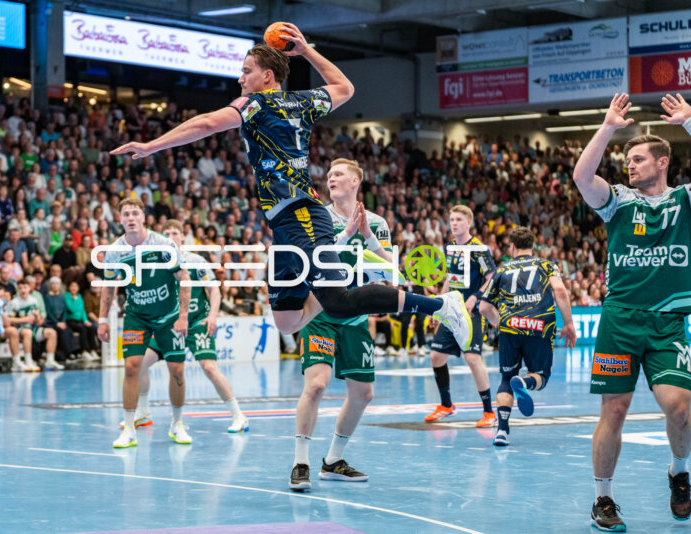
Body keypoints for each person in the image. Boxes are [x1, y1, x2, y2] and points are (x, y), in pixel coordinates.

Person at [111, 33, 470, 347]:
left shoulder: (256, 104)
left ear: (267, 77)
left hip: (303, 216)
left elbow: (207, 123)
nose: (240, 78)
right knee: (286, 322)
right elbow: (346, 88)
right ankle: (332, 261)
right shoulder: (302, 101)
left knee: (339, 304)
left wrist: (149, 146)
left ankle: (441, 306)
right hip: (284, 226)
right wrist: (307, 52)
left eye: (246, 71)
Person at [573, 92, 691, 530]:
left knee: (680, 410)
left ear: (663, 162)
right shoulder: (619, 200)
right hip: (620, 320)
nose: (631, 165)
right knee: (615, 411)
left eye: (639, 158)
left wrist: (689, 121)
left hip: (668, 323)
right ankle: (603, 498)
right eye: (629, 159)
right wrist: (607, 128)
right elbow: (582, 176)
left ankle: (680, 472)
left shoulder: (685, 201)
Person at [289, 159, 394, 491]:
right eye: (329, 175)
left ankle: (333, 460)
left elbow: (391, 269)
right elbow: (309, 263)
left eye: (338, 175)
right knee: (317, 385)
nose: (330, 179)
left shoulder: (376, 223)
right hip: (320, 311)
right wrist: (346, 236)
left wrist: (366, 238)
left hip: (356, 315)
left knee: (363, 393)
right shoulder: (316, 218)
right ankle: (300, 462)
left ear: (355, 181)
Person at [124, 219, 248, 443]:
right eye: (167, 233)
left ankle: (238, 415)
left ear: (182, 237)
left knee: (209, 368)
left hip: (195, 321)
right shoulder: (156, 261)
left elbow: (214, 289)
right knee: (139, 363)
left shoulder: (195, 260)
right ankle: (143, 412)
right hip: (169, 324)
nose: (171, 236)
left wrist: (212, 315)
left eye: (175, 233)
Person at [97, 199, 190, 449]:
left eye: (135, 213)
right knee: (131, 367)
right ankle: (129, 429)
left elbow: (184, 277)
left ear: (143, 217)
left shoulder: (163, 244)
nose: (130, 218)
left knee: (177, 371)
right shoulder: (115, 250)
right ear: (120, 219)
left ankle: (177, 424)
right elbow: (108, 288)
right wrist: (102, 320)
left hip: (168, 316)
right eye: (125, 214)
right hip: (136, 315)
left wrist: (183, 316)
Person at [478, 227, 576, 447]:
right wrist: (568, 323)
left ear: (512, 247)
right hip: (539, 326)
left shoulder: (502, 270)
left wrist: (501, 322)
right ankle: (524, 382)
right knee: (541, 376)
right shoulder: (546, 265)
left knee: (505, 379)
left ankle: (502, 431)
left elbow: (483, 306)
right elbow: (559, 291)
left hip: (511, 327)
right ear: (533, 247)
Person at [424, 205, 497, 428]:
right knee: (436, 356)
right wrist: (437, 305)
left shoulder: (479, 249)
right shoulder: (450, 248)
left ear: (469, 223)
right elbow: (450, 278)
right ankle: (446, 405)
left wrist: (475, 297)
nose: (454, 223)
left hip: (472, 312)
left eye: (458, 220)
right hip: (453, 308)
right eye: (452, 219)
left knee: (472, 357)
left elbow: (491, 276)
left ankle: (489, 412)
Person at [4, 279, 43, 372]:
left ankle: (49, 360)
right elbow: (7, 320)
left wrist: (37, 317)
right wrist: (23, 320)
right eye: (20, 288)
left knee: (51, 332)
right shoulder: (13, 302)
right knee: (27, 332)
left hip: (33, 327)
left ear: (29, 288)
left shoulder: (34, 301)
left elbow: (37, 321)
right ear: (17, 289)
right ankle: (27, 360)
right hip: (18, 328)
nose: (23, 290)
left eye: (25, 287)